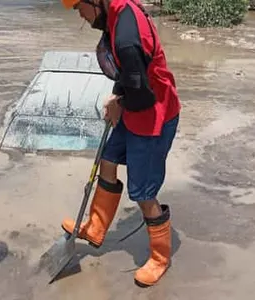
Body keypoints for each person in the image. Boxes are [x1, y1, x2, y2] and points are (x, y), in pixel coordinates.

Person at [59, 0, 181, 287]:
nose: (80, 16)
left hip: (154, 115)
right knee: (108, 159)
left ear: (94, 2)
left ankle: (160, 258)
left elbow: (143, 94)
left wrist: (120, 102)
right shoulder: (116, 13)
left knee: (143, 192)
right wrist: (118, 96)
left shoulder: (126, 33)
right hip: (135, 106)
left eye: (79, 8)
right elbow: (128, 72)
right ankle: (96, 227)